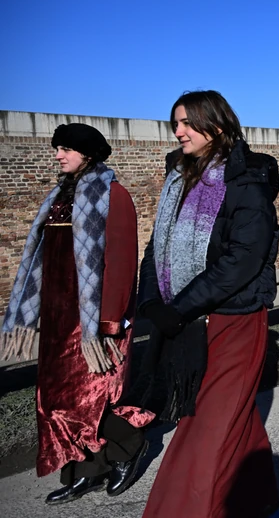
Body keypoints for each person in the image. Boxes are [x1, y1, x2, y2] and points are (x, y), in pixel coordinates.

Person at [136, 91, 279, 517]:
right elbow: (156, 246)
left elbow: (243, 260)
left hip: (235, 321)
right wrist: (151, 299)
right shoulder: (178, 179)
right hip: (193, 325)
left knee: (205, 431)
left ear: (215, 125)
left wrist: (179, 307)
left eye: (186, 123)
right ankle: (258, 495)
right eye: (174, 123)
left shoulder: (247, 183)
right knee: (233, 419)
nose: (177, 131)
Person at [1, 124, 153, 505]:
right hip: (56, 320)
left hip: (91, 324)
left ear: (88, 154)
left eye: (65, 149)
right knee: (53, 399)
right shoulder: (57, 196)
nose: (57, 155)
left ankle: (128, 445)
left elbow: (120, 262)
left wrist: (110, 320)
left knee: (89, 399)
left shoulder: (113, 195)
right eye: (57, 148)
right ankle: (84, 470)